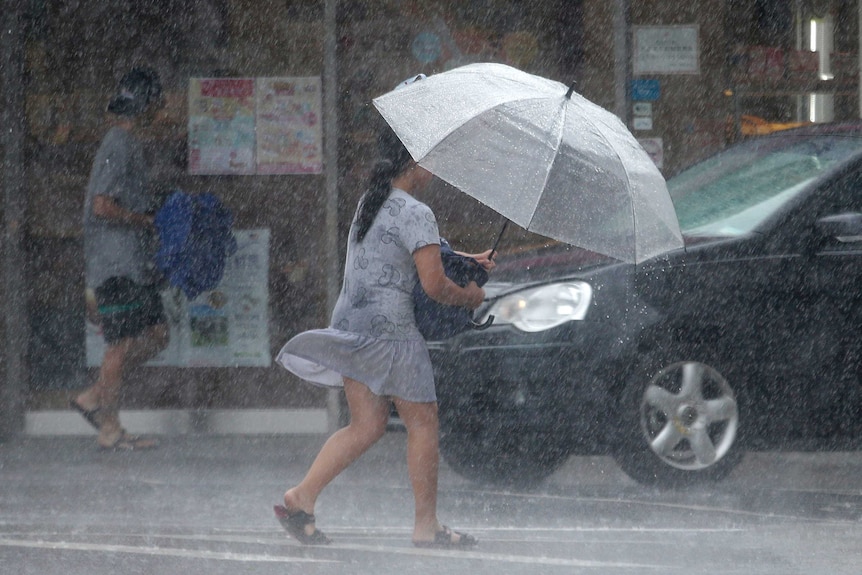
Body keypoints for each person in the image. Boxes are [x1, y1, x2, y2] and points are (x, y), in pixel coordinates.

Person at [274, 121, 494, 548]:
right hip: (391, 333)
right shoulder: (418, 211)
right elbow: (433, 284)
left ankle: (301, 497)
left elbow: (412, 248)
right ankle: (426, 527)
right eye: (428, 158)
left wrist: (468, 258)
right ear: (413, 163)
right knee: (424, 422)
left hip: (353, 324)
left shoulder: (371, 202)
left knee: (367, 423)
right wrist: (470, 296)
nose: (433, 168)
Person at [71, 66, 169, 451]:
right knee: (121, 343)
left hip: (131, 264)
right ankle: (109, 427)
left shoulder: (126, 144)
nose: (159, 113)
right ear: (144, 107)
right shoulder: (118, 143)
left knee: (158, 335)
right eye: (156, 105)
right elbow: (101, 206)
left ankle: (95, 396)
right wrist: (143, 219)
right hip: (115, 264)